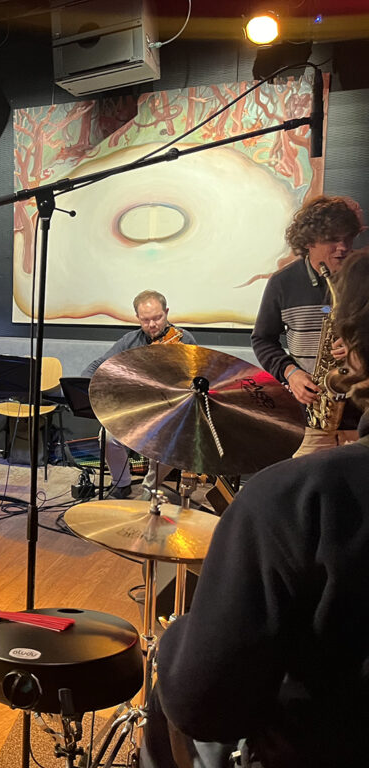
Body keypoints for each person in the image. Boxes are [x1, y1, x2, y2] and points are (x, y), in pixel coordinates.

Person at [143, 247, 369, 768]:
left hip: (320, 747)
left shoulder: (296, 499)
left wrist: (177, 640)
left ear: (349, 350)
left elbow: (207, 707)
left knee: (174, 691)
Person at [252, 195, 364, 457]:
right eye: (332, 239)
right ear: (309, 241)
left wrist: (359, 347)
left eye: (348, 238)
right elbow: (262, 339)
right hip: (312, 416)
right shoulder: (282, 283)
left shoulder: (363, 278)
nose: (343, 247)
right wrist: (290, 373)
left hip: (361, 415)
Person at [82, 290, 196, 499]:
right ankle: (121, 482)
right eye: (145, 320)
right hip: (137, 410)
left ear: (166, 312)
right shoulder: (130, 340)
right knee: (107, 437)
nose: (152, 325)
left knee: (174, 442)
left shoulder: (184, 338)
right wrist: (84, 382)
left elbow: (196, 375)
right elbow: (101, 363)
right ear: (138, 318)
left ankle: (149, 487)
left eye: (157, 318)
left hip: (169, 412)